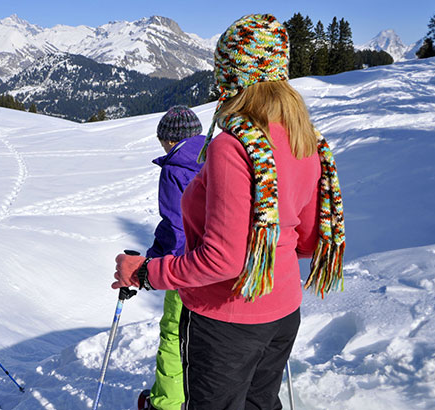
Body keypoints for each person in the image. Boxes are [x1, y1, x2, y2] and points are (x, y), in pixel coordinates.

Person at [113, 14, 346, 410]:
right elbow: (306, 241)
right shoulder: (304, 137)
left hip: (225, 320)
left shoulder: (231, 146)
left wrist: (146, 272)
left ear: (229, 75)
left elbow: (221, 259)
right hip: (283, 311)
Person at [139, 105, 206, 410]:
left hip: (185, 269)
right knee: (203, 338)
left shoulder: (173, 169)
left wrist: (153, 262)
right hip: (218, 263)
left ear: (168, 140)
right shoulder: (215, 156)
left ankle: (165, 403)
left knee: (173, 336)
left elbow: (174, 226)